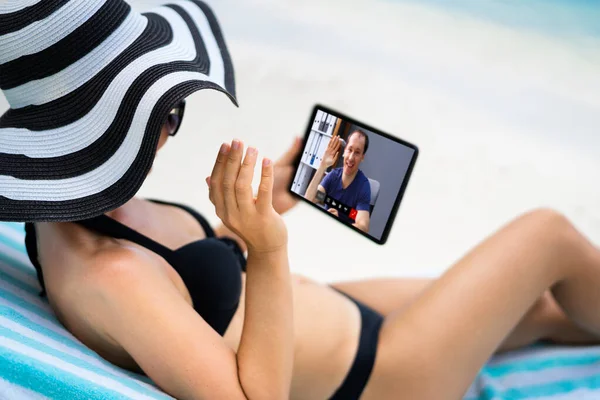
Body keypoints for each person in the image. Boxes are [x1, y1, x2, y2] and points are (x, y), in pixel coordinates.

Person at [2, 1, 600, 399]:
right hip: (382, 376)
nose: (173, 121)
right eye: (165, 108)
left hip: (344, 316)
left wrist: (260, 213)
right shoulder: (110, 275)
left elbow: (197, 294)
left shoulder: (79, 207)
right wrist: (266, 247)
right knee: (549, 236)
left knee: (548, 311)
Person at [304, 130, 372, 232]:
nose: (351, 157)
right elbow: (309, 199)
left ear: (362, 157)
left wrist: (339, 222)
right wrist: (322, 166)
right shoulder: (333, 176)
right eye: (350, 150)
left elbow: (363, 227)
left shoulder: (363, 186)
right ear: (344, 151)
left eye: (357, 153)